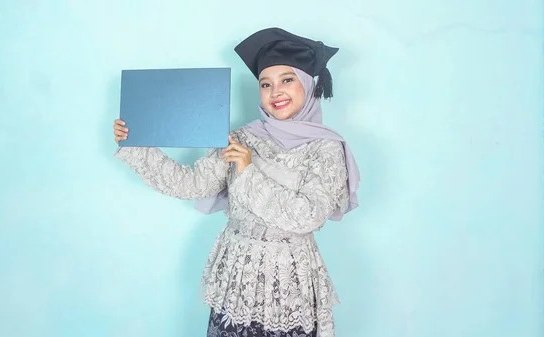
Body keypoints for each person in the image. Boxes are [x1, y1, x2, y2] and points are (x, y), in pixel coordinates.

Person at [112, 27, 360, 337]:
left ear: (308, 84)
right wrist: (137, 143)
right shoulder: (243, 139)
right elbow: (190, 185)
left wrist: (247, 169)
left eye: (287, 80)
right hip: (237, 278)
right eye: (265, 84)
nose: (275, 92)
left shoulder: (325, 149)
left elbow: (307, 215)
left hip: (287, 284)